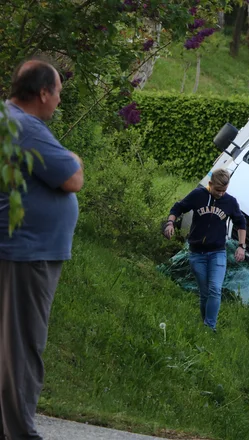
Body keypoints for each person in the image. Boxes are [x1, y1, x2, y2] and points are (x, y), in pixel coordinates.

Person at [0, 59, 84, 440]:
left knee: (11, 345)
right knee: (23, 347)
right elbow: (72, 178)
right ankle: (20, 433)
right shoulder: (27, 128)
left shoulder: (8, 118)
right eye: (58, 94)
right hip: (27, 254)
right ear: (43, 93)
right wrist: (75, 160)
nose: (59, 102)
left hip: (21, 250)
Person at [164, 169, 247, 332]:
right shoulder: (198, 195)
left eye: (224, 190)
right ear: (210, 184)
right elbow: (178, 208)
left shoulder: (230, 202)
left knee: (215, 289)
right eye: (218, 190)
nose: (221, 194)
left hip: (217, 253)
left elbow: (241, 223)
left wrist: (241, 246)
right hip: (197, 253)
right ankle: (205, 325)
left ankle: (210, 327)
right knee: (205, 293)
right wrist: (170, 223)